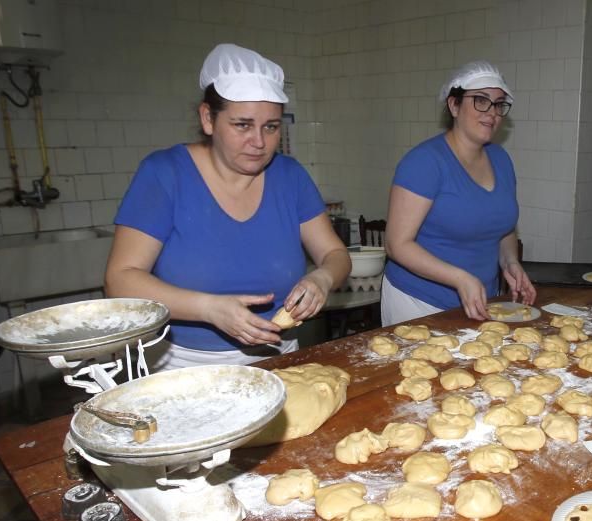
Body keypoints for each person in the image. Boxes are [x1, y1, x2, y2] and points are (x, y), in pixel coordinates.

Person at [104, 44, 350, 370]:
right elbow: (120, 280)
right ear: (208, 119)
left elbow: (336, 256)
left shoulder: (290, 177)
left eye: (271, 127)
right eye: (242, 125)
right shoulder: (166, 174)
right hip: (183, 365)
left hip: (281, 357)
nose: (259, 142)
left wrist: (322, 279)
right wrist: (209, 309)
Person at [381, 60, 536, 325]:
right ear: (454, 105)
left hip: (481, 300)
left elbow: (502, 226)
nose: (492, 113)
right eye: (480, 100)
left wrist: (510, 262)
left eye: (498, 104)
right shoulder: (424, 162)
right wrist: (459, 277)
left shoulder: (501, 160)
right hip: (419, 302)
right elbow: (397, 245)